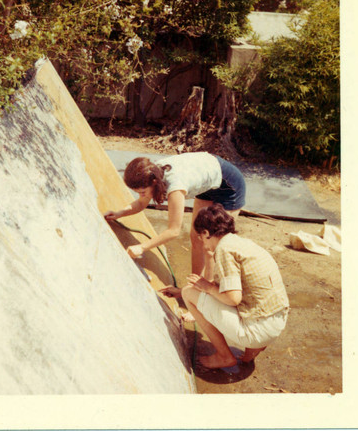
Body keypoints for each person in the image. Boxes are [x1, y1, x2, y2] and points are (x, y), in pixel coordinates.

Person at [104, 152, 246, 297]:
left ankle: (206, 297)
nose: (142, 195)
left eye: (143, 192)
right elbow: (141, 203)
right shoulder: (152, 174)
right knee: (197, 238)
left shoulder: (175, 188)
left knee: (212, 246)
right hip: (208, 185)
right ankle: (194, 290)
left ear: (153, 183)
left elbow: (174, 231)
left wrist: (142, 247)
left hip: (229, 186)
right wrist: (119, 213)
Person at [181, 204, 289, 369]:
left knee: (188, 293)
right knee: (223, 294)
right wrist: (209, 287)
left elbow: (232, 298)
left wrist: (206, 287)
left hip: (257, 331)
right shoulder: (241, 243)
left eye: (200, 237)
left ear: (206, 233)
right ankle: (251, 352)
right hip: (277, 323)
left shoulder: (224, 249)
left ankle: (224, 356)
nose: (203, 244)